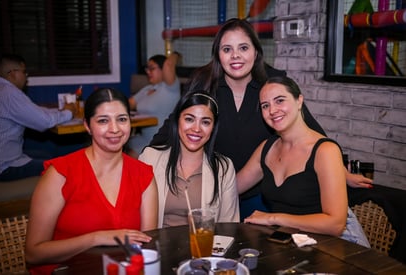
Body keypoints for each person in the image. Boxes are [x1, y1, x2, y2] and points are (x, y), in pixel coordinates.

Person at [151, 18, 373, 220]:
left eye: (243, 48)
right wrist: (141, 164)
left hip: (259, 194)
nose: (235, 56)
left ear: (256, 52)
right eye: (227, 49)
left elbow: (309, 131)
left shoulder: (272, 85)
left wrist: (341, 172)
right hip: (213, 190)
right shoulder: (203, 83)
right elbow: (174, 126)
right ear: (218, 54)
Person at [25, 88, 159, 274]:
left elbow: (146, 246)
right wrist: (95, 238)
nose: (114, 129)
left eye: (122, 119)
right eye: (103, 120)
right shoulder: (60, 174)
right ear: (87, 125)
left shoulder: (143, 176)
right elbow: (34, 253)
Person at [237, 76, 370, 247]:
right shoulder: (267, 148)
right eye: (265, 105)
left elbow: (335, 225)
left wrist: (272, 218)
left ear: (299, 101)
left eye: (279, 101)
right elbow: (233, 186)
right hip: (298, 241)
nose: (272, 110)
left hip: (341, 244)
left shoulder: (325, 150)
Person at [139, 90, 239, 228]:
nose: (196, 129)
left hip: (204, 247)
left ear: (213, 128)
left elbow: (229, 228)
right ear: (177, 120)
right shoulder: (149, 158)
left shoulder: (224, 168)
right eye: (189, 119)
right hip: (158, 247)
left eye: (205, 122)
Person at [0, 53, 77, 181]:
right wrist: (69, 112)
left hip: (2, 159)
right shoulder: (9, 94)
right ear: (12, 73)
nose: (26, 77)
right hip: (2, 167)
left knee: (46, 155)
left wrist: (60, 111)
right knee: (60, 168)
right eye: (24, 72)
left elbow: (33, 111)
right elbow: (45, 122)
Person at [128, 52, 182, 157]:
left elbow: (168, 65)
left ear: (163, 70)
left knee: (126, 161)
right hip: (140, 139)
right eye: (147, 69)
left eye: (152, 68)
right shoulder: (147, 89)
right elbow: (128, 104)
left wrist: (175, 54)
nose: (148, 72)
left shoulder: (170, 88)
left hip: (160, 142)